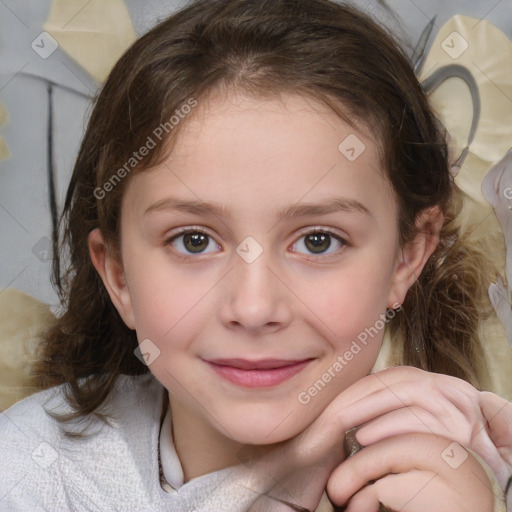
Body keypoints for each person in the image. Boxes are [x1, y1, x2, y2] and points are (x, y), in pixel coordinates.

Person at [0, 0, 510, 510]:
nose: (254, 308)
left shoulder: (470, 479)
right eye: (194, 241)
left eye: (318, 241)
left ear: (406, 258)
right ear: (118, 276)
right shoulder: (28, 472)